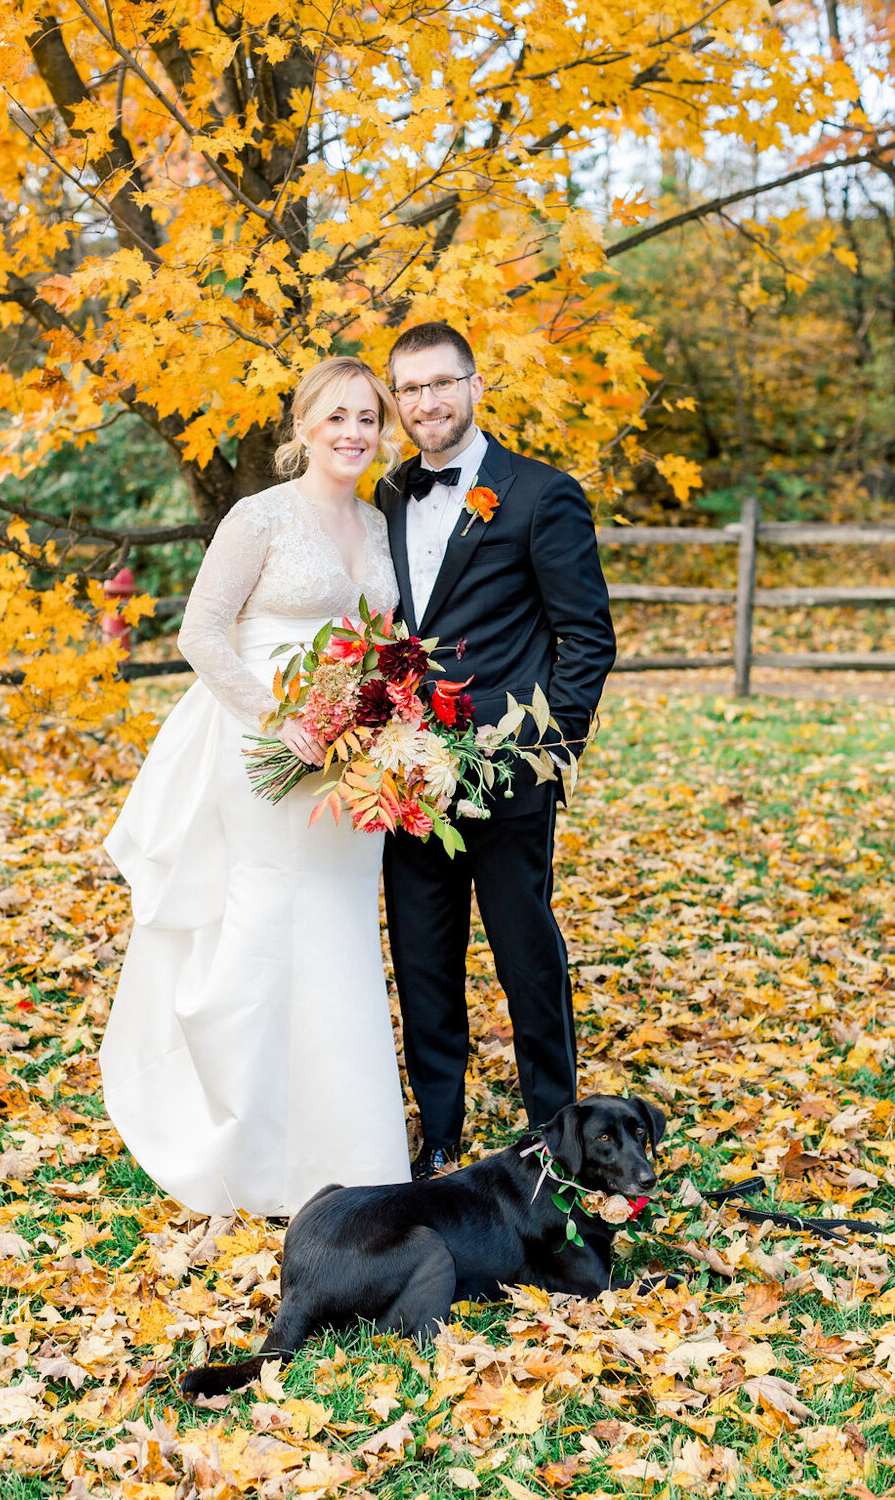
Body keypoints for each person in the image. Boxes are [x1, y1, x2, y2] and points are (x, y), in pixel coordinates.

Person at [99, 357, 411, 1218]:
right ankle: (246, 1148)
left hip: (357, 758)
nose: (355, 432)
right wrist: (283, 723)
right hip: (264, 747)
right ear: (304, 425)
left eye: (369, 418)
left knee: (344, 930)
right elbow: (203, 634)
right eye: (338, 415)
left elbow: (384, 639)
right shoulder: (260, 516)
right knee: (270, 925)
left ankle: (353, 1155)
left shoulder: (381, 523)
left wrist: (390, 719)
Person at [375, 322, 616, 1180]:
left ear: (476, 387)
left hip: (510, 776)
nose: (428, 403)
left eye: (443, 384)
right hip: (408, 775)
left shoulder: (542, 495)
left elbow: (586, 638)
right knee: (422, 959)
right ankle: (440, 1137)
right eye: (410, 389)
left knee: (526, 956)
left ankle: (559, 1133)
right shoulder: (391, 494)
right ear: (396, 400)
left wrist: (543, 754)